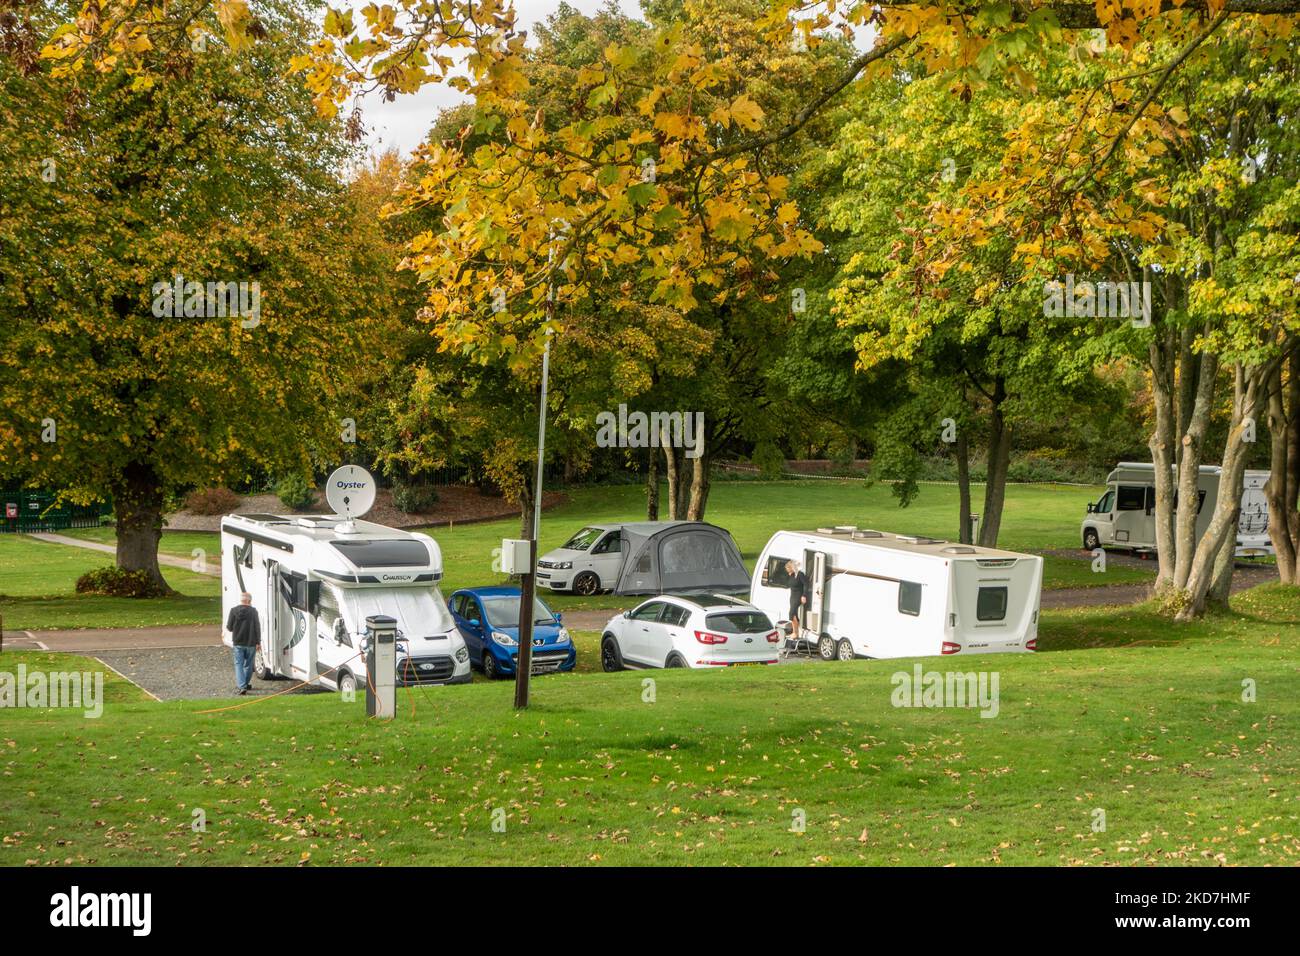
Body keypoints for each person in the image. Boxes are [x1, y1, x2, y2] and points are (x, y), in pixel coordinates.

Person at [225, 592, 261, 695]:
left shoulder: (233, 611)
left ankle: (242, 686)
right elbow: (257, 627)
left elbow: (229, 627)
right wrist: (258, 642)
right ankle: (244, 684)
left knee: (238, 664)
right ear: (249, 601)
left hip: (238, 642)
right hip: (251, 642)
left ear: (241, 600)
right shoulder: (254, 612)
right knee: (249, 665)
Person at [785, 559, 808, 640]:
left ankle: (796, 633)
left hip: (798, 596)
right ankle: (795, 632)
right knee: (794, 614)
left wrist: (804, 595)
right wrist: (790, 574)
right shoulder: (791, 575)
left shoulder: (800, 574)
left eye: (788, 569)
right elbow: (788, 584)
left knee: (791, 613)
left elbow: (805, 584)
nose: (787, 570)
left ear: (792, 568)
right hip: (792, 596)